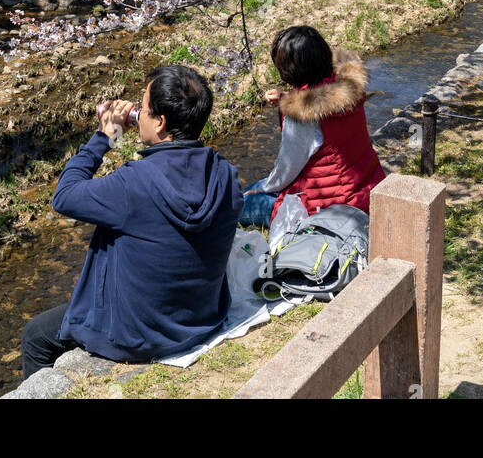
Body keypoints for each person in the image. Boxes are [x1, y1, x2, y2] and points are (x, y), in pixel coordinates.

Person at [20, 64, 243, 379]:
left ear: (161, 123)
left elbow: (64, 196)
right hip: (201, 320)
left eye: (144, 108)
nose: (138, 113)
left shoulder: (134, 182)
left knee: (35, 336)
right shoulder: (226, 174)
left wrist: (104, 137)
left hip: (137, 337)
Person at [239, 26, 385, 229]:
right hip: (366, 191)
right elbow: (323, 108)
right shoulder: (347, 90)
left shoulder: (303, 116)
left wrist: (263, 188)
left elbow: (286, 171)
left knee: (240, 202)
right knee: (255, 188)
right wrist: (288, 99)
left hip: (327, 210)